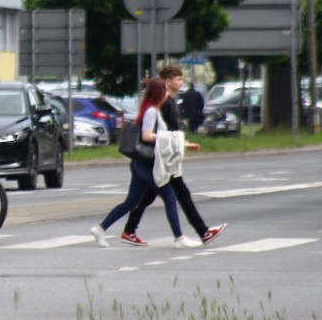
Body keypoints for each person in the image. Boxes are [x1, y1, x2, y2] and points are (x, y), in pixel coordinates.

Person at [90, 77, 202, 249]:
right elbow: (146, 135)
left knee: (132, 201)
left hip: (141, 163)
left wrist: (185, 144)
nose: (167, 93)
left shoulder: (153, 110)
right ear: (158, 93)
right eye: (164, 90)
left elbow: (165, 136)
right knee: (170, 198)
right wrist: (166, 138)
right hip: (147, 164)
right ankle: (179, 238)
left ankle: (100, 229)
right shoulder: (151, 111)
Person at [120, 66, 226, 247]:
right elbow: (163, 132)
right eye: (178, 79)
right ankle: (202, 232)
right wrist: (179, 144)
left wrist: (184, 144)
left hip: (164, 156)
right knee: (181, 195)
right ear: (168, 82)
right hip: (164, 157)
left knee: (147, 196)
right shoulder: (164, 104)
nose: (181, 82)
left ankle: (129, 230)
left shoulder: (168, 102)